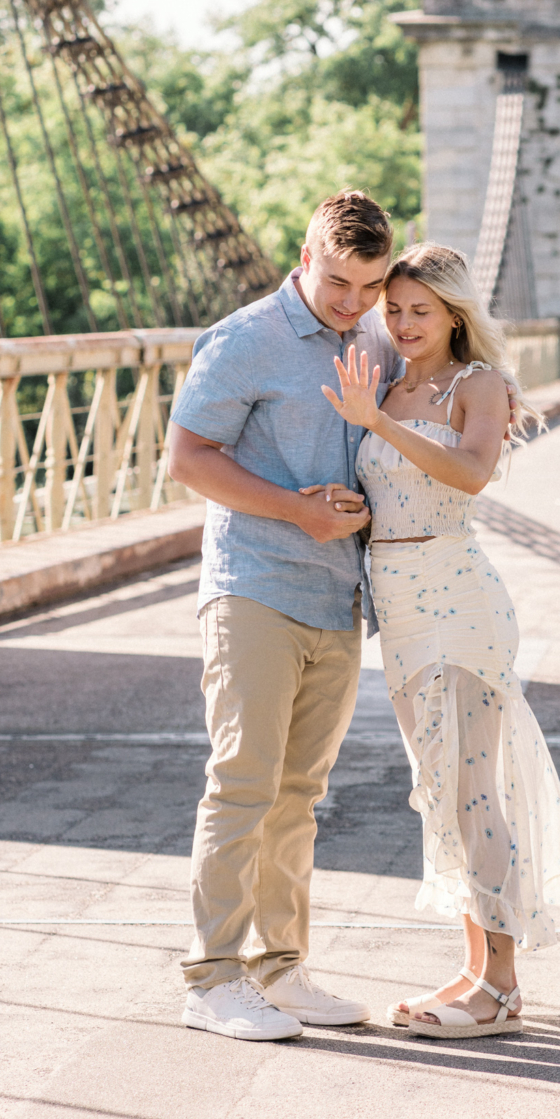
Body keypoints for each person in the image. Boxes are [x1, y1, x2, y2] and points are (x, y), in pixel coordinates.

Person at [321, 242, 560, 1039]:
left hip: (458, 601)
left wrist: (375, 423)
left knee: (476, 796)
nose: (404, 324)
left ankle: (504, 990)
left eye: (421, 311)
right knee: (442, 795)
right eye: (394, 310)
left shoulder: (477, 386)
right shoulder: (387, 380)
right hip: (398, 609)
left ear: (455, 315)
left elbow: (471, 473)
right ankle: (476, 968)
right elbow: (394, 492)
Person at [166, 190, 400, 1042]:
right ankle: (211, 976)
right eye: (339, 281)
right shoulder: (244, 339)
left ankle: (280, 967)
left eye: (370, 286)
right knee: (242, 784)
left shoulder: (376, 339)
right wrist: (294, 510)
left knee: (300, 794)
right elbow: (187, 458)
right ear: (304, 256)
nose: (353, 302)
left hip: (338, 597)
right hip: (254, 586)